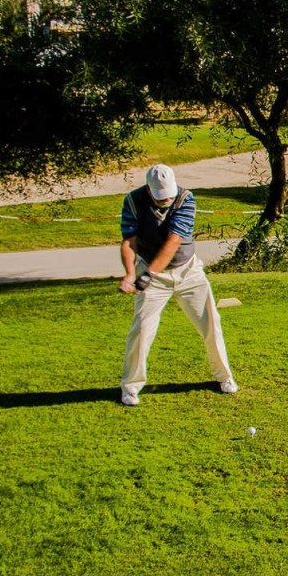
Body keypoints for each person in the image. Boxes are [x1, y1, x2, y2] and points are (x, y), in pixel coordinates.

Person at [117, 164, 237, 406]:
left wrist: (147, 274)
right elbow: (129, 241)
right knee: (140, 329)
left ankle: (224, 377)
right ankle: (130, 387)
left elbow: (173, 243)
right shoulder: (132, 201)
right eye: (161, 196)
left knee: (211, 323)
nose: (168, 199)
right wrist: (130, 273)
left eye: (169, 193)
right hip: (152, 274)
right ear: (149, 189)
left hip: (188, 272)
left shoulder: (185, 198)